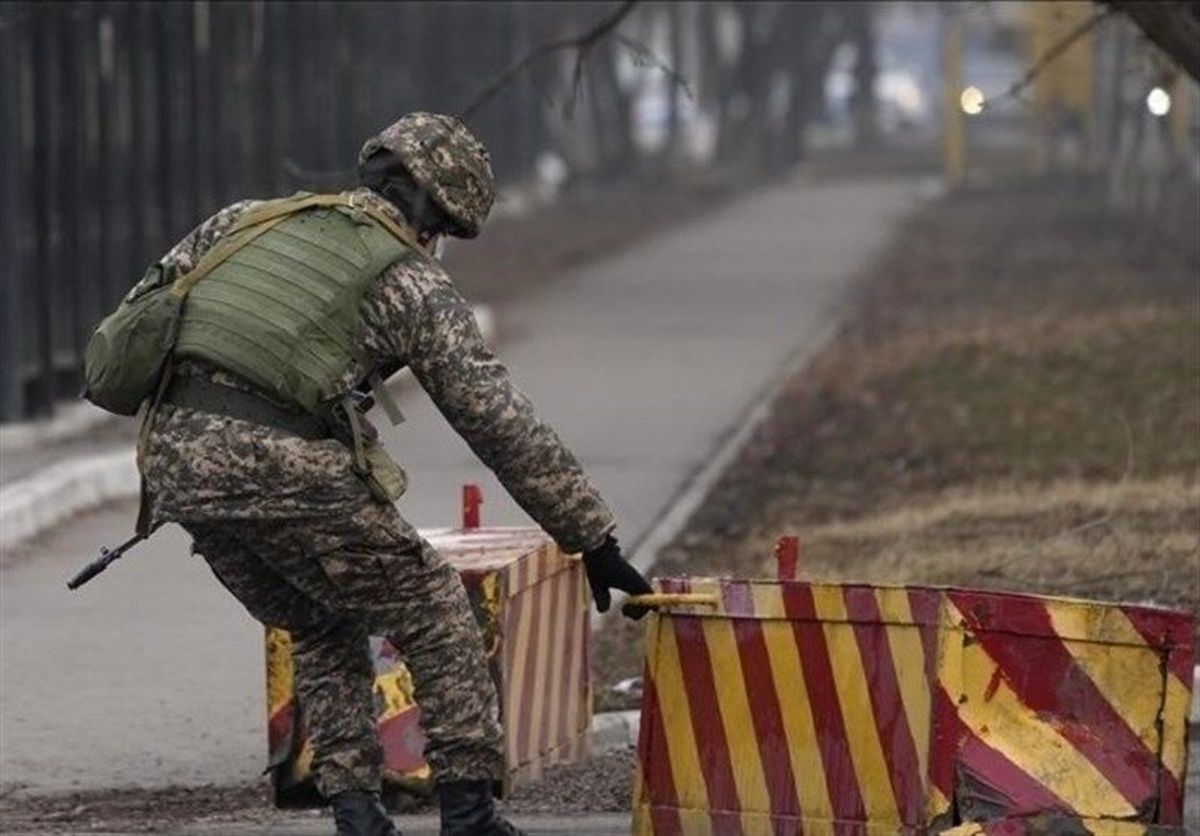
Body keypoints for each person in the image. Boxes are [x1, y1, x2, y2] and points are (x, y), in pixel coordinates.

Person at [135, 113, 653, 836]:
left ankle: (357, 815)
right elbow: (496, 420)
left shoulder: (246, 221)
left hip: (172, 465)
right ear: (430, 214)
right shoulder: (408, 281)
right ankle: (469, 814)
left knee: (318, 619)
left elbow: (148, 309)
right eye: (443, 229)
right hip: (284, 467)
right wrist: (591, 537)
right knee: (437, 611)